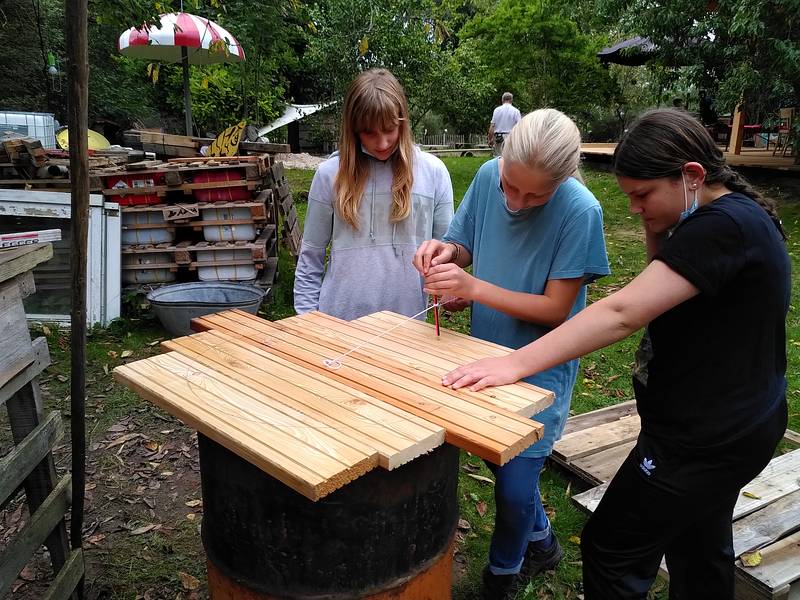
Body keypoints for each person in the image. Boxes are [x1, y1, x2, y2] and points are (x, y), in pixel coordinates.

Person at [439, 108, 790, 598]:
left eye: (642, 195)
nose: (633, 208)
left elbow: (623, 312)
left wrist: (514, 362)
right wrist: (656, 222)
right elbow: (661, 281)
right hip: (737, 424)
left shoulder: (723, 228)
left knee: (611, 548)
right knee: (699, 545)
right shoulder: (724, 219)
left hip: (701, 439)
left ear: (691, 176)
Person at [414, 108, 611, 599]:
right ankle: (543, 542)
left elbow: (555, 309)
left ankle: (502, 575)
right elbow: (464, 244)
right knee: (503, 466)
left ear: (562, 180)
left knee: (513, 487)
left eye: (535, 195)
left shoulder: (580, 211)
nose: (518, 202)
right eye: (511, 186)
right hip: (485, 355)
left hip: (540, 370)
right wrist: (443, 254)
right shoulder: (486, 177)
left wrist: (475, 288)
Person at [293, 69, 454, 320]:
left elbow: (446, 253)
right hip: (338, 325)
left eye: (390, 129)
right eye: (369, 132)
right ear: (353, 129)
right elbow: (310, 257)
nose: (382, 143)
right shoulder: (329, 175)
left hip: (407, 330)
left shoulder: (434, 173)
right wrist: (307, 322)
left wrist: (448, 287)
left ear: (403, 121)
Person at [488, 92, 522, 157]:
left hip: (499, 137)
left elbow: (492, 126)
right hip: (511, 137)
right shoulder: (516, 111)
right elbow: (519, 126)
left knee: (498, 158)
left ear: (502, 100)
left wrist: (490, 139)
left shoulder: (497, 110)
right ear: (511, 100)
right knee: (510, 157)